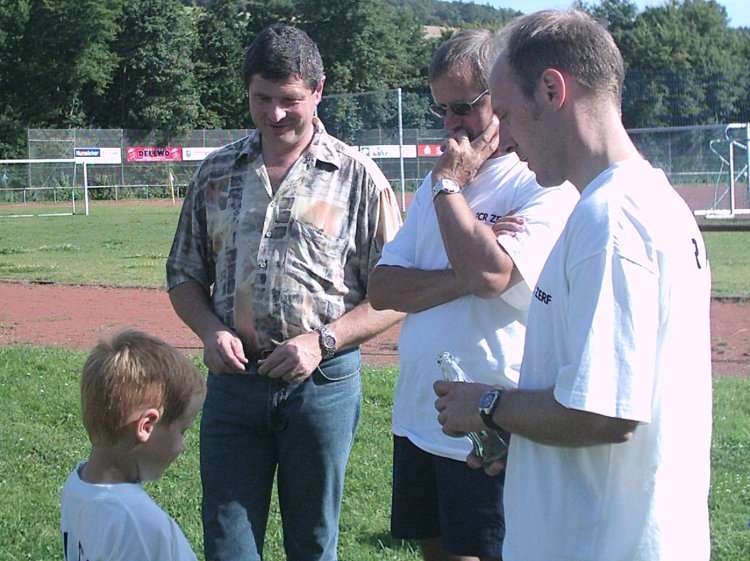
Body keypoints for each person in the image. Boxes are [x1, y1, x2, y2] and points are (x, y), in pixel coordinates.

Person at [435, 10, 712, 561]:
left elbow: (606, 414)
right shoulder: (644, 201)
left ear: (551, 89)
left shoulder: (611, 220)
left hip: (603, 543)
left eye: (506, 113)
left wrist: (486, 405)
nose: (503, 137)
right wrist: (524, 436)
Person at [166, 23, 403, 561]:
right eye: (262, 98)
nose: (275, 114)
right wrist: (210, 331)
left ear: (318, 91)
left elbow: (396, 293)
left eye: (289, 100)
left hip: (321, 386)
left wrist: (321, 341)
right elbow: (182, 273)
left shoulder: (359, 178)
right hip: (234, 384)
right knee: (227, 540)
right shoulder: (216, 172)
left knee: (313, 542)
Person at [368, 29, 577, 561]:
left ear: (500, 96)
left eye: (464, 107)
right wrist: (470, 261)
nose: (451, 123)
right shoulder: (439, 182)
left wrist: (451, 195)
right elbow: (383, 287)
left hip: (490, 416)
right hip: (420, 415)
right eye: (441, 108)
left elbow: (492, 277)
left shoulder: (537, 180)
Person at [60, 330, 206, 561]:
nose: (183, 445)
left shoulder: (78, 485)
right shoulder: (144, 528)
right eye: (182, 430)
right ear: (146, 426)